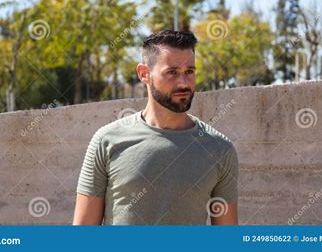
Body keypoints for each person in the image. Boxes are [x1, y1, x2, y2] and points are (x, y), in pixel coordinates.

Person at [73, 30, 239, 225]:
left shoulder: (219, 149)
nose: (184, 83)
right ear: (144, 74)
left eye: (189, 72)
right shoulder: (106, 141)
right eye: (172, 72)